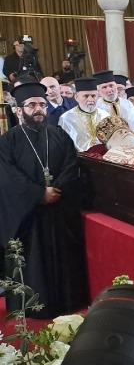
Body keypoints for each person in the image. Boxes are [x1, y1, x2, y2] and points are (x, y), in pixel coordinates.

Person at [0, 82, 88, 319]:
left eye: (41, 104)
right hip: (28, 217)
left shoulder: (59, 135)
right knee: (33, 262)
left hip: (58, 211)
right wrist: (39, 194)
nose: (38, 109)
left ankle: (68, 302)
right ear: (19, 110)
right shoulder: (8, 141)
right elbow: (7, 176)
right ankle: (33, 306)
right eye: (31, 105)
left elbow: (72, 164)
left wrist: (57, 189)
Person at [58, 78, 111, 151]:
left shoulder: (105, 115)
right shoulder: (66, 118)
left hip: (105, 157)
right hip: (80, 159)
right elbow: (64, 146)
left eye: (93, 96)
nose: (90, 99)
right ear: (76, 97)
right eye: (86, 96)